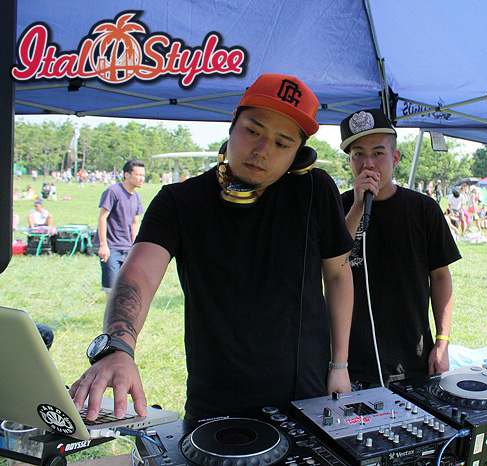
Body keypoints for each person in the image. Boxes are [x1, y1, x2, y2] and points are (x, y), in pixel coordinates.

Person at [70, 73, 355, 420]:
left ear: (299, 155)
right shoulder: (178, 201)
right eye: (253, 131)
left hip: (306, 393)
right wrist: (118, 347)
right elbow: (139, 273)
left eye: (282, 144)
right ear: (233, 123)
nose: (262, 150)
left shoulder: (315, 190)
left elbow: (338, 275)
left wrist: (339, 364)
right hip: (215, 401)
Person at [339, 108, 460, 387]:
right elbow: (333, 266)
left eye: (378, 153)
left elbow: (441, 276)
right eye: (358, 154)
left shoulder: (423, 209)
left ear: (395, 158)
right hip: (351, 360)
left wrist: (442, 341)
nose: (368, 163)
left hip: (411, 357)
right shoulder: (338, 207)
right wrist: (358, 206)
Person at [95, 159, 146, 299]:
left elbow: (135, 224)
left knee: (127, 286)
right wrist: (103, 245)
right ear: (126, 175)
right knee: (111, 288)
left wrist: (135, 248)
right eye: (138, 175)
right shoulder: (113, 191)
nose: (141, 178)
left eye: (143, 175)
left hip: (127, 247)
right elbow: (102, 218)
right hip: (112, 247)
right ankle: (111, 314)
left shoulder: (136, 197)